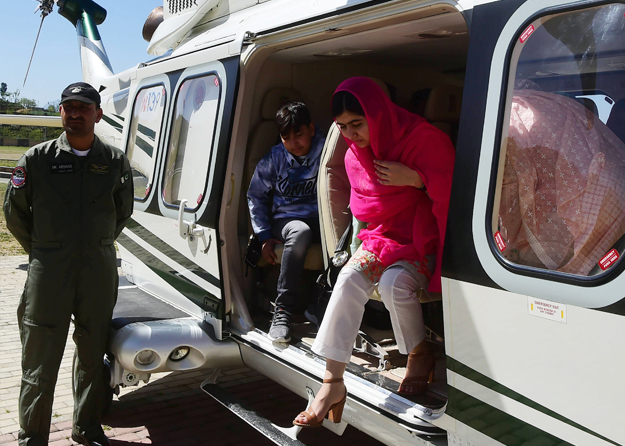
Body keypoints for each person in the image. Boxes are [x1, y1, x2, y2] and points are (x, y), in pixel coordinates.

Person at [293, 77, 455, 427]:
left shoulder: (424, 140)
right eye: (341, 127)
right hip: (381, 240)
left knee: (397, 283)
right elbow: (367, 214)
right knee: (349, 277)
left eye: (357, 124)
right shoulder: (355, 157)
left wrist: (416, 180)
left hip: (423, 239)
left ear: (378, 114)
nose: (351, 135)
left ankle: (418, 352)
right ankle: (331, 382)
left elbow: (459, 194)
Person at [3, 82, 134, 446]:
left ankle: (87, 428)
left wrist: (96, 243)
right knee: (39, 361)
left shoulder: (113, 161)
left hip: (98, 268)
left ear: (98, 114)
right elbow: (13, 213)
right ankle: (32, 437)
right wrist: (45, 250)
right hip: (49, 272)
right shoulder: (37, 159)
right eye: (68, 107)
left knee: (93, 354)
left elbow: (123, 210)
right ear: (60, 112)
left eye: (83, 107)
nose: (75, 113)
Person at [247, 101, 326, 342]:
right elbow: (256, 195)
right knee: (300, 232)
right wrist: (264, 235)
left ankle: (321, 304)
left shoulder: (327, 148)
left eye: (299, 135)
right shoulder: (275, 159)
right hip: (287, 219)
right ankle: (282, 313)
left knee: (349, 234)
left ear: (311, 129)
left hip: (322, 218)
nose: (293, 143)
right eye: (286, 137)